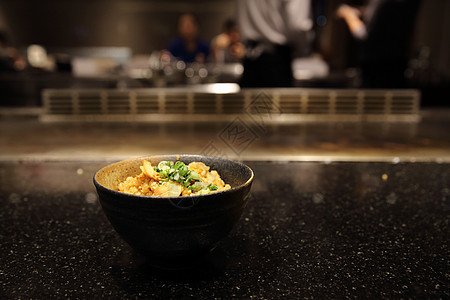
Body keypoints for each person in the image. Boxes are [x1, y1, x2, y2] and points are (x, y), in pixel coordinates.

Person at [337, 0, 421, 88]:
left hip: (374, 66)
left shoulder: (382, 2)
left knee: (374, 99)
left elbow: (364, 36)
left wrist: (349, 15)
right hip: (398, 63)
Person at [236, 0, 313, 87]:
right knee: (278, 100)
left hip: (250, 59)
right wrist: (303, 51)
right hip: (276, 61)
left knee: (250, 99)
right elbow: (298, 26)